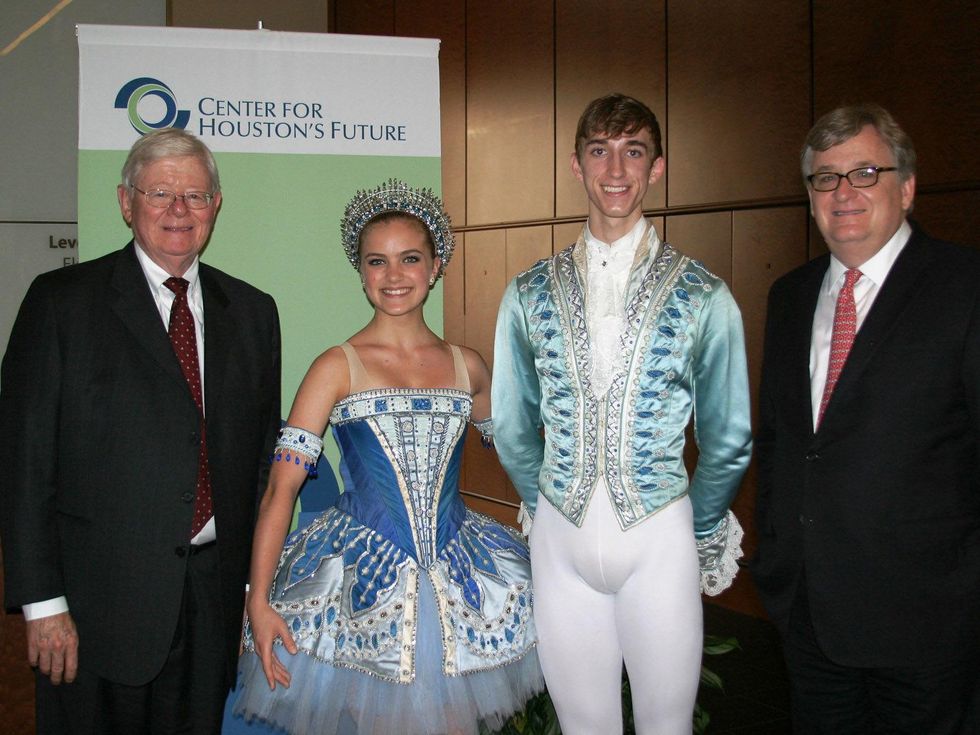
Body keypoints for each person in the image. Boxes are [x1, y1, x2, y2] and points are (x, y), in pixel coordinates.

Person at [233, 179, 543, 735]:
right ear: (361, 271)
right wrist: (259, 599)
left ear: (435, 266)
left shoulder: (467, 367)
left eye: (410, 259)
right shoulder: (336, 367)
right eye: (377, 262)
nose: (394, 276)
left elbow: (522, 457)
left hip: (458, 569)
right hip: (363, 576)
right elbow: (280, 491)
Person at [0, 128, 282, 734]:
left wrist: (251, 590)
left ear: (217, 206)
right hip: (95, 609)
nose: (179, 210)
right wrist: (43, 605)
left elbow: (260, 462)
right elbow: (22, 465)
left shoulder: (255, 313)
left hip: (212, 604)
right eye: (160, 193)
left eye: (196, 196)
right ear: (126, 203)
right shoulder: (60, 304)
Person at [492, 93, 753, 734]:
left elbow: (729, 436)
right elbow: (512, 422)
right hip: (561, 538)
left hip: (659, 535)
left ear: (656, 167)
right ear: (576, 166)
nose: (616, 170)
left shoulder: (704, 295)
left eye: (633, 151)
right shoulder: (526, 293)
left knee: (668, 727)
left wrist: (697, 531)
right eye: (600, 151)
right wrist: (550, 501)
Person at [751, 103, 980, 734]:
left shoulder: (965, 287)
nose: (843, 192)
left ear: (907, 188)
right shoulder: (791, 297)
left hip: (927, 628)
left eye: (865, 173)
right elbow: (778, 443)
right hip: (809, 619)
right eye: (826, 177)